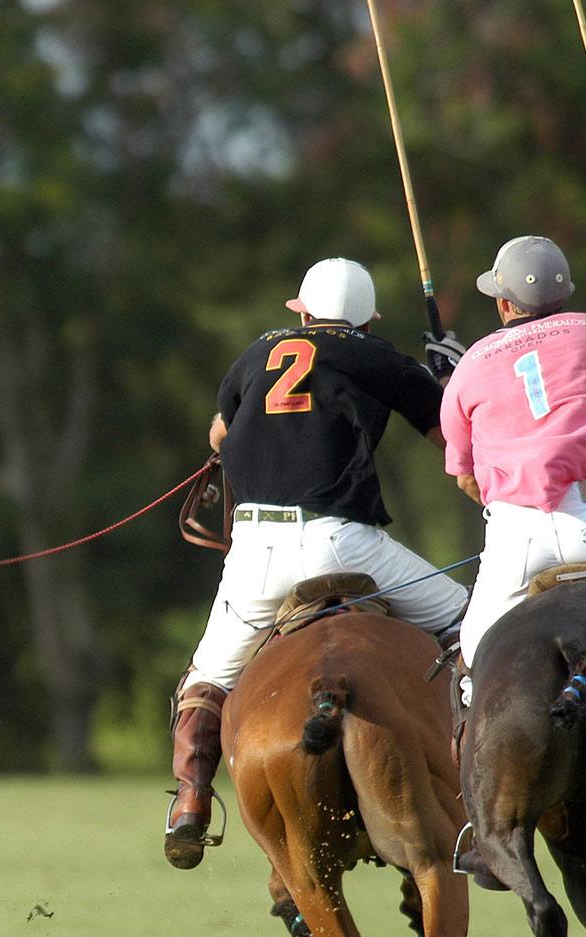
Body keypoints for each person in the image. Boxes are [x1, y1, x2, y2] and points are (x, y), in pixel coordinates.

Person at [165, 257, 467, 870]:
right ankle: (472, 772)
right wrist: (447, 378)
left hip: (255, 550)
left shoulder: (256, 354)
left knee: (208, 678)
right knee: (471, 619)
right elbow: (452, 442)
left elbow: (220, 437)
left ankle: (191, 800)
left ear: (299, 311)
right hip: (343, 541)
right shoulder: (380, 356)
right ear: (369, 319)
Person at [441, 236, 586, 673]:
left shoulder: (471, 362)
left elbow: (465, 477)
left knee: (474, 657)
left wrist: (448, 375)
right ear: (563, 294)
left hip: (517, 539)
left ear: (505, 305)